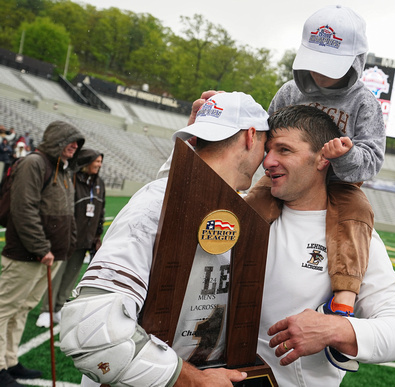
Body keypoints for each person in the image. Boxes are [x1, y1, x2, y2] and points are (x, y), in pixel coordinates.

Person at [60, 92, 271, 387]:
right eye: (266, 143)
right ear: (251, 136)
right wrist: (191, 380)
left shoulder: (223, 206)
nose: (267, 157)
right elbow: (93, 333)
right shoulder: (154, 204)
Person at [248, 5, 385, 356]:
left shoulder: (364, 102)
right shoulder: (289, 92)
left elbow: (372, 159)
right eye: (316, 61)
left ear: (356, 61)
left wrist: (346, 156)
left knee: (357, 213)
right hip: (285, 177)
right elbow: (268, 134)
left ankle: (343, 300)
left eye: (333, 64)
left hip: (339, 184)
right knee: (251, 204)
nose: (321, 74)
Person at [257, 105, 395, 384]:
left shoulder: (353, 235)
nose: (268, 161)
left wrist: (333, 329)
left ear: (322, 158)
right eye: (267, 150)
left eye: (284, 150)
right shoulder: (244, 215)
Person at [0, 121, 84, 387]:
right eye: (70, 141)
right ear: (56, 140)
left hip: (51, 255)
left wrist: (64, 247)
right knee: (4, 309)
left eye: (77, 143)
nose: (75, 146)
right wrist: (40, 247)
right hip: (28, 254)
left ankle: (10, 361)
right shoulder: (34, 163)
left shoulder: (63, 167)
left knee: (22, 309)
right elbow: (23, 209)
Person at [35, 149, 105, 328]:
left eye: (100, 162)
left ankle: (58, 308)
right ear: (86, 162)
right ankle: (46, 311)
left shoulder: (100, 183)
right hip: (65, 239)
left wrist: (96, 235)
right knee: (56, 275)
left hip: (84, 240)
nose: (99, 165)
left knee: (71, 276)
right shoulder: (71, 180)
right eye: (96, 161)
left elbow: (101, 210)